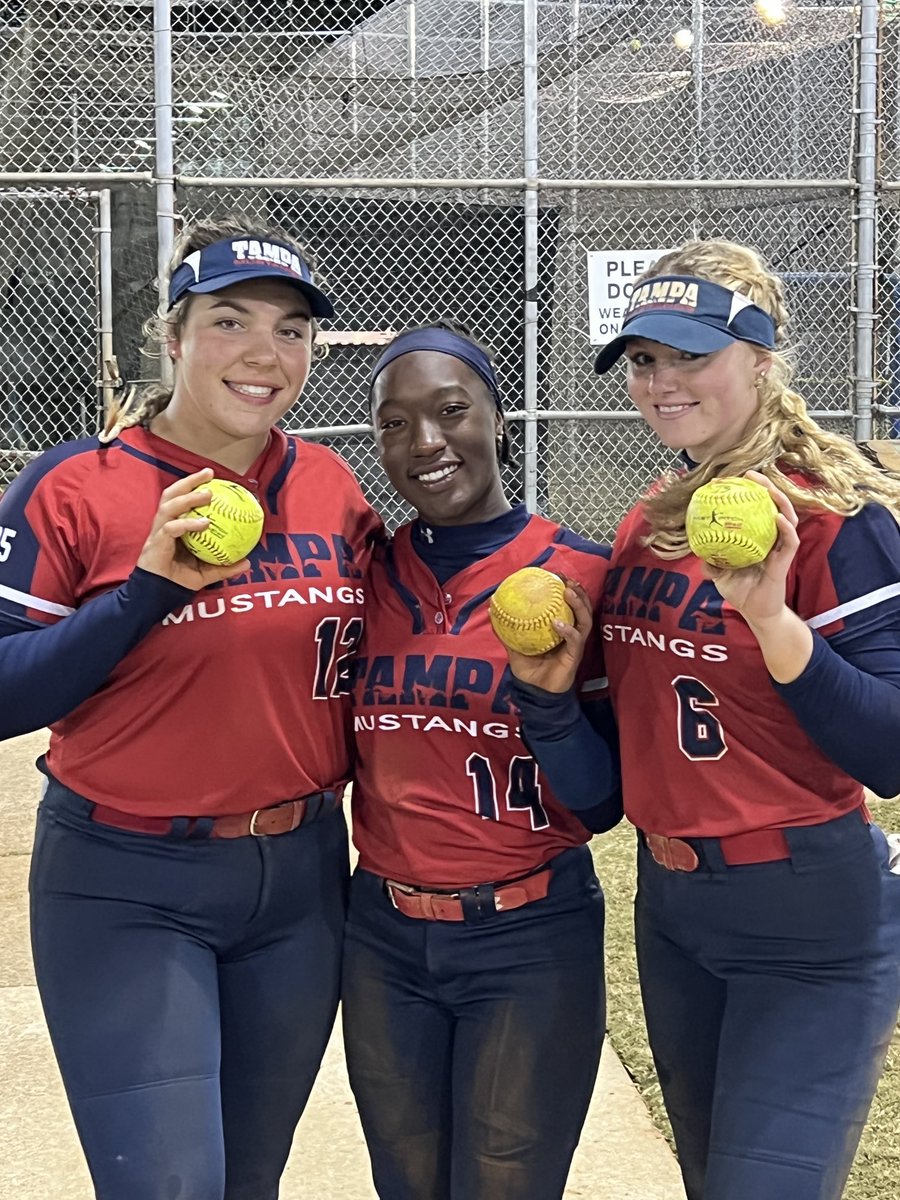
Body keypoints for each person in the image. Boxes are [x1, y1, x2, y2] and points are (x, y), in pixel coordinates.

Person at [503, 239, 900, 1200]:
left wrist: (772, 620)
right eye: (644, 359)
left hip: (808, 916)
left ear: (760, 361)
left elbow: (890, 752)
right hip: (675, 912)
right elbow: (611, 774)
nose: (662, 381)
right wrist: (546, 696)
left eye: (692, 355)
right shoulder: (652, 519)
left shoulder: (833, 512)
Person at [0, 216, 381, 1200]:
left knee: (247, 1179)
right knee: (168, 1184)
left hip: (300, 880)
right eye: (230, 322)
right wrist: (146, 593)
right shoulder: (76, 487)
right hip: (126, 881)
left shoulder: (329, 484)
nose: (264, 353)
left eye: (292, 330)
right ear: (172, 337)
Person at [341, 321, 622, 1200]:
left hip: (528, 936)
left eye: (451, 410)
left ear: (499, 418)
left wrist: (549, 704)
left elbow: (601, 805)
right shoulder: (363, 577)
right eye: (395, 423)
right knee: (406, 1184)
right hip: (382, 935)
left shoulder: (580, 574)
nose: (425, 441)